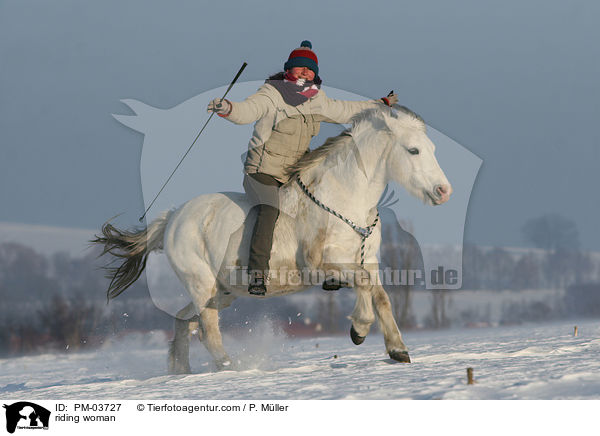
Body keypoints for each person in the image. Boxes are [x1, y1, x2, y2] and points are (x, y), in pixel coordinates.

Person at [207, 40, 398, 295]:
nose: (304, 73)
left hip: (294, 173)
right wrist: (228, 108)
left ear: (315, 74)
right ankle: (257, 274)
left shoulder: (316, 99)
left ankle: (331, 270)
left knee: (327, 205)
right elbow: (247, 111)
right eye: (299, 68)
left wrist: (379, 104)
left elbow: (346, 110)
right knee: (270, 210)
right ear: (288, 70)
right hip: (263, 171)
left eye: (309, 70)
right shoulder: (271, 94)